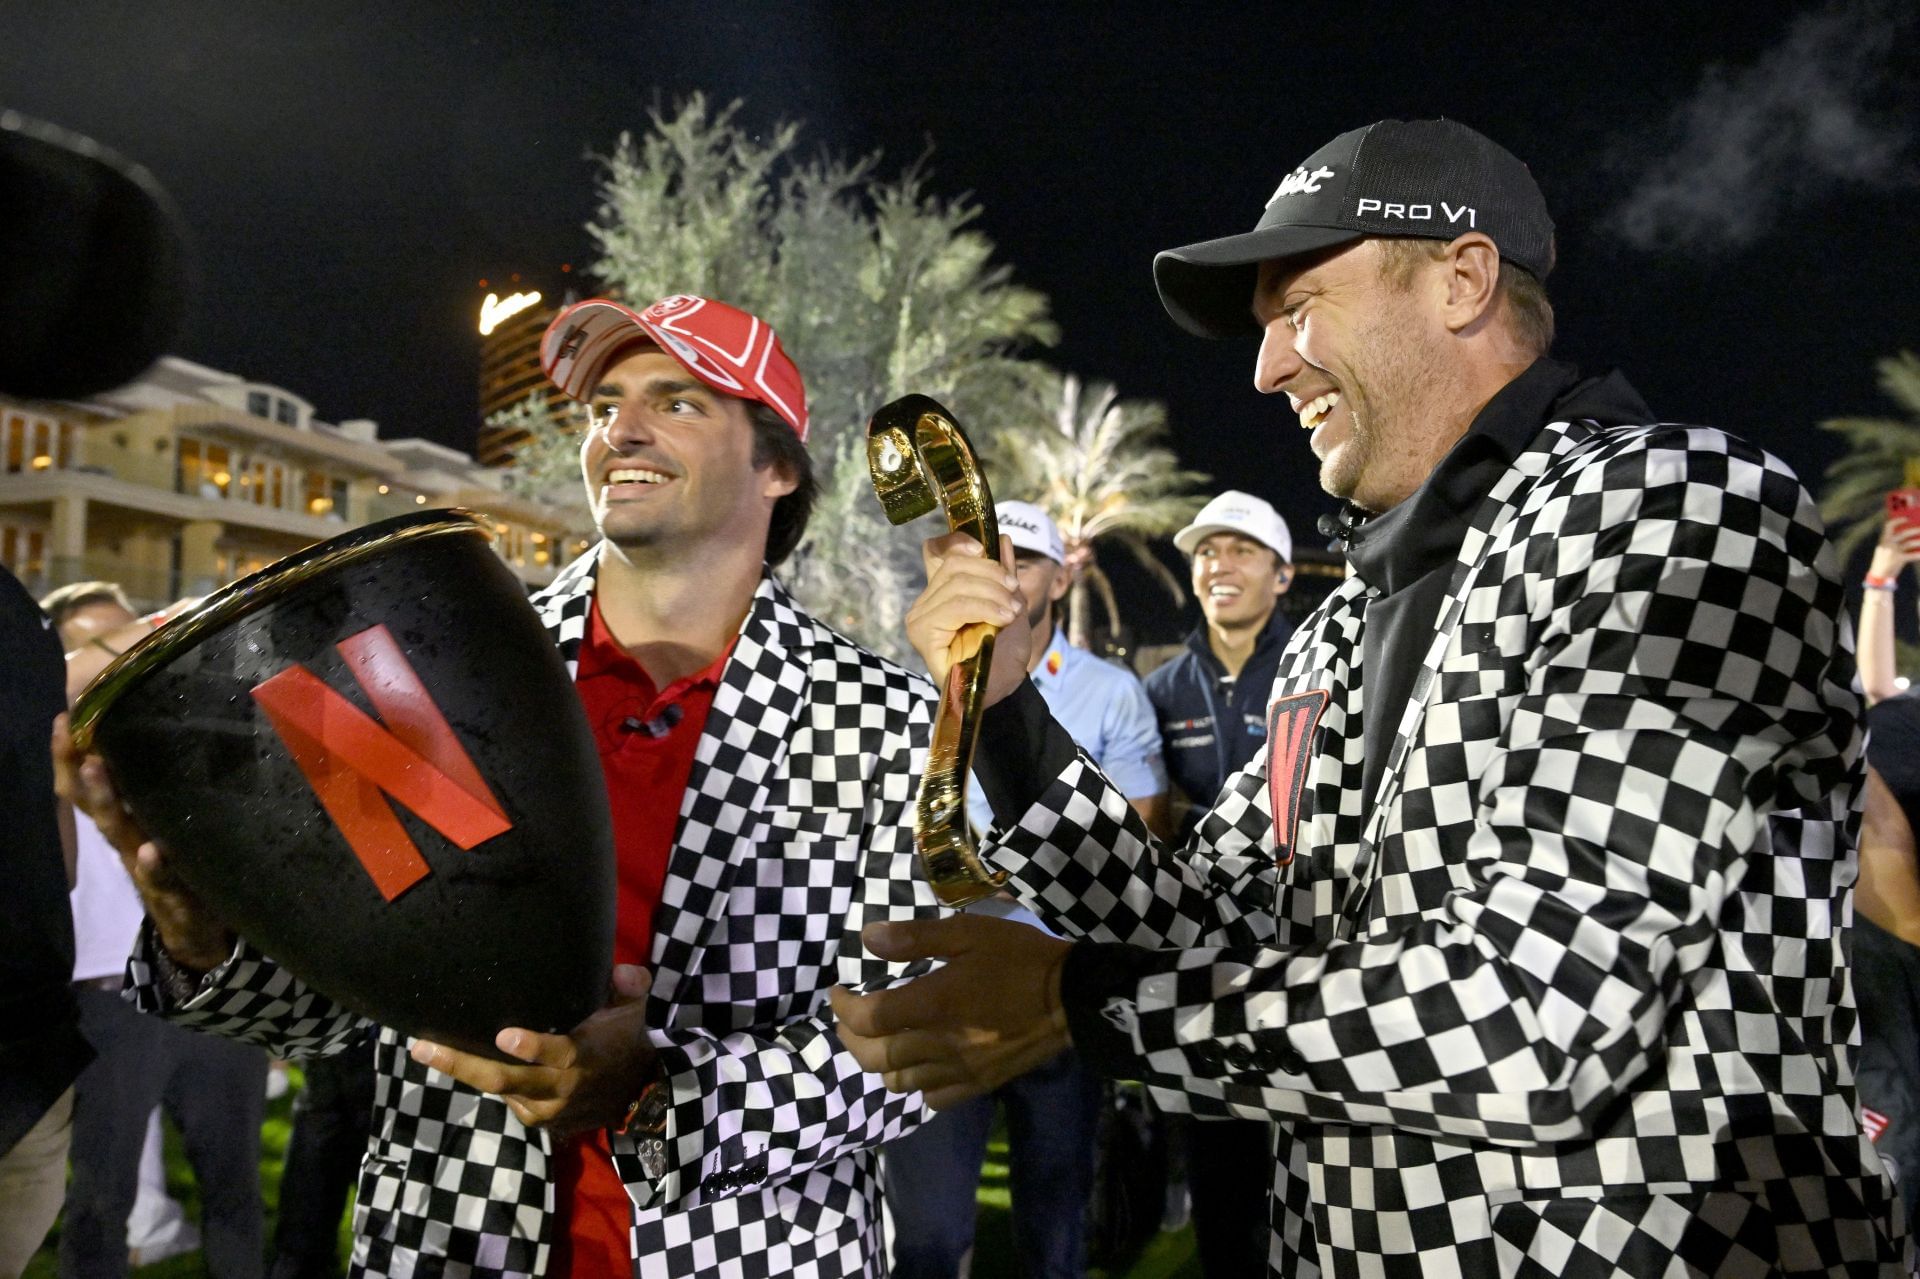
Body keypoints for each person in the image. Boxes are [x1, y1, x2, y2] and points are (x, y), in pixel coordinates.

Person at [832, 117, 1907, 1272]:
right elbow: (1208, 922)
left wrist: (1076, 999)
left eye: (1302, 310)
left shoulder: (1688, 508)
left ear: (1462, 278)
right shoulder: (1343, 620)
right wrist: (1003, 711)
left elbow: (1535, 1022)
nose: (1267, 367)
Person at [57, 293, 943, 1277]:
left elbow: (907, 1047)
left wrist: (663, 1093)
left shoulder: (884, 713)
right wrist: (202, 936)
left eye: (679, 401)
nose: (622, 431)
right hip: (449, 1246)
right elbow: (338, 1014)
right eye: (605, 405)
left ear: (777, 465)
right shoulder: (435, 663)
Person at [887, 500, 1167, 1279]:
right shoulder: (911, 687)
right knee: (927, 1237)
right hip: (946, 990)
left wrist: (1008, 864)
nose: (1007, 577)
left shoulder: (1111, 693)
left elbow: (1145, 835)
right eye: (990, 559)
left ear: (1060, 577)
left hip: (1055, 989)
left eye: (1028, 562)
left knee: (1054, 1226)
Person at [48, 584, 269, 1279]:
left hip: (212, 992)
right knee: (99, 1191)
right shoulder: (43, 749)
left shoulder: (182, 740)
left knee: (234, 1184)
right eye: (99, 646)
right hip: (111, 999)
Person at [1141, 491, 1294, 1274]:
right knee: (1219, 1165)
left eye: (1240, 550)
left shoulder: (1316, 669)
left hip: (1302, 951)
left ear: (1282, 573)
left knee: (1309, 1170)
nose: (1219, 565)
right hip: (1198, 957)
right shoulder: (1163, 688)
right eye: (1206, 552)